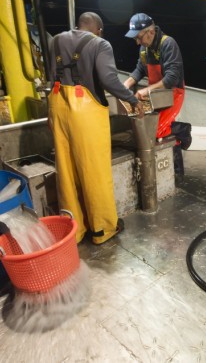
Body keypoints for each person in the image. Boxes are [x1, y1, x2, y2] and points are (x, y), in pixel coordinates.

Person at [48, 12, 142, 245]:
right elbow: (109, 80)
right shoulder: (100, 43)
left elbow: (50, 76)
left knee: (66, 171)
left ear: (79, 26)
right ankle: (102, 228)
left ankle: (75, 229)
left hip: (57, 106)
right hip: (86, 113)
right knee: (94, 171)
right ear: (99, 29)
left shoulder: (56, 40)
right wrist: (131, 99)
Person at [123, 13, 191, 175]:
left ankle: (183, 134)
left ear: (151, 32)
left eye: (139, 37)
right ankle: (167, 169)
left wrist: (147, 90)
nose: (137, 42)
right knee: (150, 127)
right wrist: (126, 85)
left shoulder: (168, 44)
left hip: (172, 92)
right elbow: (140, 69)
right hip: (155, 94)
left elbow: (172, 78)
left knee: (160, 129)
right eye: (135, 39)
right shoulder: (144, 48)